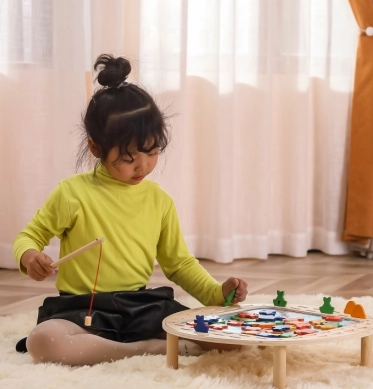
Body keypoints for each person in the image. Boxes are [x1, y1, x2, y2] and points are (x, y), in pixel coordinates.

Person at [13, 54, 248, 366]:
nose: (143, 165)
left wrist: (218, 293)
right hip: (82, 309)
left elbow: (178, 264)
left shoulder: (159, 200)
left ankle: (123, 347)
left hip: (140, 306)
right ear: (96, 147)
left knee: (232, 336)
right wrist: (30, 257)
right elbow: (29, 237)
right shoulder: (72, 193)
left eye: (152, 152)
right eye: (129, 158)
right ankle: (149, 349)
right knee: (43, 341)